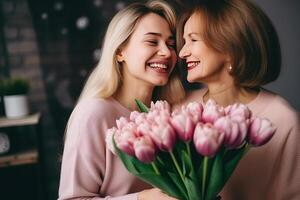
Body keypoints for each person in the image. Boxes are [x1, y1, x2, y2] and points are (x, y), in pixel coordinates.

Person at [58, 0, 185, 199]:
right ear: (120, 51)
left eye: (171, 44)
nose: (167, 52)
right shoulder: (93, 113)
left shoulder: (169, 114)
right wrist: (143, 198)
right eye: (152, 41)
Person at [176, 0, 300, 199]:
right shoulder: (179, 110)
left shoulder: (283, 119)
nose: (182, 52)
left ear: (230, 46)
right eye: (184, 41)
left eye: (193, 40)